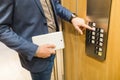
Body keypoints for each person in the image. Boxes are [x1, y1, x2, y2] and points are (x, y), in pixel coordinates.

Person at [0, 0, 94, 80]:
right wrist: (35, 50)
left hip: (53, 44)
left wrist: (72, 17)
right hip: (36, 54)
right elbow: (1, 29)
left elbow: (55, 5)